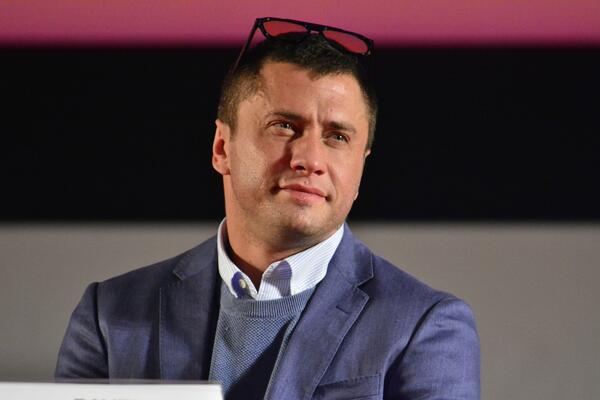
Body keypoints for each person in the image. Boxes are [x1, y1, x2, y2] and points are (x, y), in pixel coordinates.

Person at [55, 17, 480, 399]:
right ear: (222, 148)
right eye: (284, 126)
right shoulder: (108, 314)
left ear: (361, 164)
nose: (310, 159)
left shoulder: (425, 327)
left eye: (337, 137)